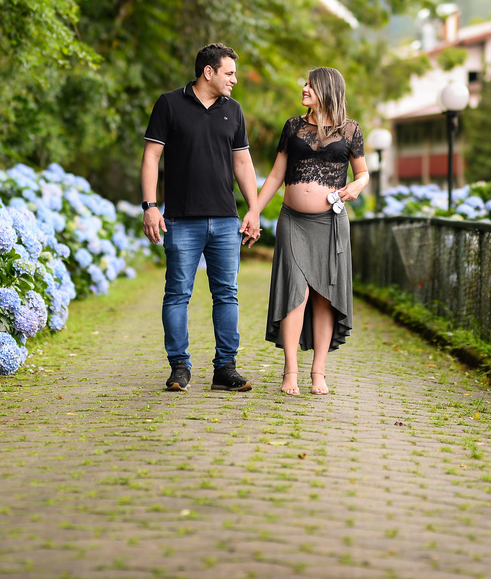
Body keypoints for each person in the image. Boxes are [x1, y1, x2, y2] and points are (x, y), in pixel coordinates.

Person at [141, 43, 263, 392]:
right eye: (229, 73)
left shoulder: (234, 110)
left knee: (227, 294)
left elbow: (243, 163)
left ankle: (225, 368)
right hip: (181, 219)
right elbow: (152, 157)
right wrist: (149, 205)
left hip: (225, 219)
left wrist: (253, 210)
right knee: (177, 293)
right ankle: (179, 367)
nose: (234, 80)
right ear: (208, 71)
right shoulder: (169, 104)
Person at [252, 67, 368, 394]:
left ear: (327, 90)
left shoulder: (351, 131)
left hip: (329, 224)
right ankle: (290, 371)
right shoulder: (293, 127)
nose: (304, 89)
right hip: (293, 221)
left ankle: (319, 372)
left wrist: (358, 185)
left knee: (323, 296)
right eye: (305, 83)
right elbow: (276, 175)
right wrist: (254, 212)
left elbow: (363, 173)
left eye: (310, 85)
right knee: (295, 292)